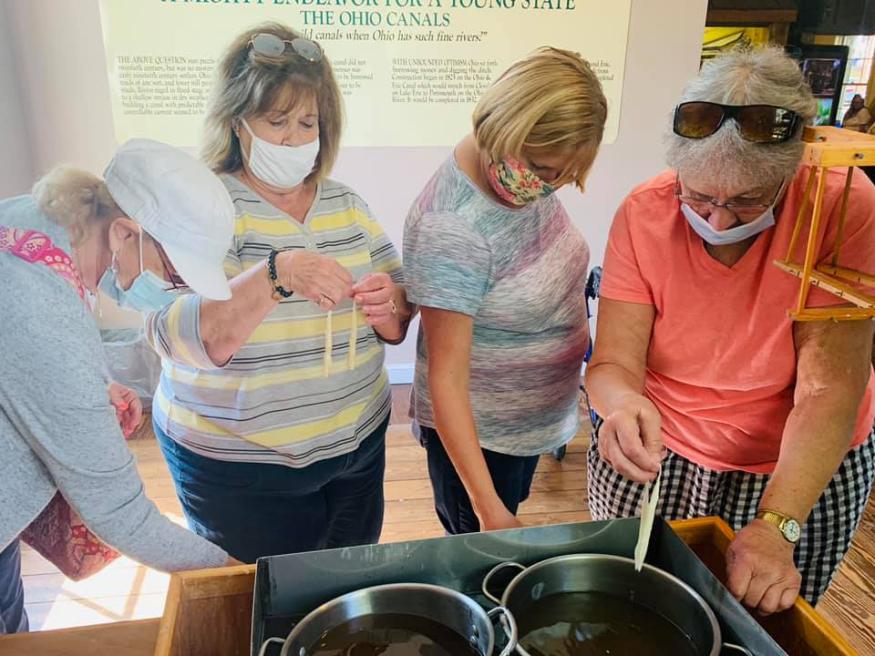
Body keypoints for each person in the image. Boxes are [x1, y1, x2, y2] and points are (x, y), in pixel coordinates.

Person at [585, 47, 875, 614]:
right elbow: (615, 363)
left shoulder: (843, 207)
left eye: (745, 201)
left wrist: (778, 523)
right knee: (628, 607)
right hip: (664, 447)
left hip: (794, 460)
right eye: (699, 196)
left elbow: (826, 391)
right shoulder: (645, 213)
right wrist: (619, 407)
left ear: (790, 171)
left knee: (759, 614)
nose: (717, 220)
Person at [147, 23, 412, 563]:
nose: (294, 139)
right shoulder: (200, 205)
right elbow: (175, 336)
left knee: (344, 587)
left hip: (355, 449)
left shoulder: (347, 204)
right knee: (259, 602)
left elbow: (397, 317)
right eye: (276, 122)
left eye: (307, 122)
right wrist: (277, 273)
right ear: (236, 122)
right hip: (242, 468)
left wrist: (393, 304)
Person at [0, 139, 239, 634]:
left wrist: (95, 382)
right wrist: (239, 576)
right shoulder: (39, 310)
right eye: (173, 275)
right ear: (125, 232)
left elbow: (24, 363)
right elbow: (121, 514)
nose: (173, 292)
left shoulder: (35, 221)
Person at [403, 47, 607, 535]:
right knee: (478, 562)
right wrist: (487, 506)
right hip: (483, 440)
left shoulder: (513, 174)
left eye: (564, 173)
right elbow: (446, 380)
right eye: (545, 168)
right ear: (505, 131)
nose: (552, 185)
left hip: (523, 426)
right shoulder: (452, 226)